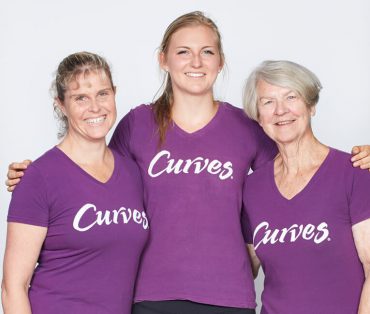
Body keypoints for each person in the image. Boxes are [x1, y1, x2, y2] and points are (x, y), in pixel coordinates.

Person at [4, 12, 370, 314]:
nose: (196, 62)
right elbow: (96, 173)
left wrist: (361, 160)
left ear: (220, 61)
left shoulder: (246, 126)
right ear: (163, 59)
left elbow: (300, 169)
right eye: (183, 52)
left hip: (229, 297)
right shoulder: (137, 124)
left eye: (207, 52)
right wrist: (37, 173)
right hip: (150, 297)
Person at [1, 52, 149, 314]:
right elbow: (13, 287)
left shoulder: (132, 171)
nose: (95, 107)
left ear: (114, 93)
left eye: (102, 94)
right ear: (60, 104)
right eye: (80, 98)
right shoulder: (38, 178)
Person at [242, 60, 370, 314]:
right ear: (258, 117)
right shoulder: (251, 188)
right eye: (268, 102)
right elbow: (243, 268)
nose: (280, 110)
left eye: (291, 97)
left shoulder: (354, 172)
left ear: (310, 105)